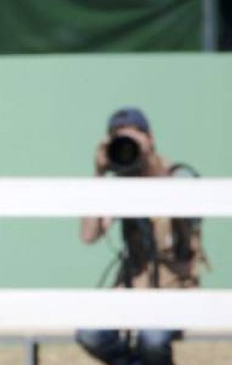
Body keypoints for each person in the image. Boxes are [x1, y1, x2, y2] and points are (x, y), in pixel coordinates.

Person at [75, 107, 206, 365]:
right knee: (90, 333)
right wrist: (99, 173)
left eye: (133, 137)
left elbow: (195, 216)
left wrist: (152, 173)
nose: (128, 146)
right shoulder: (121, 184)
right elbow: (88, 235)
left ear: (150, 138)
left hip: (175, 287)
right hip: (133, 285)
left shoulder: (177, 175)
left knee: (152, 339)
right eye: (119, 139)